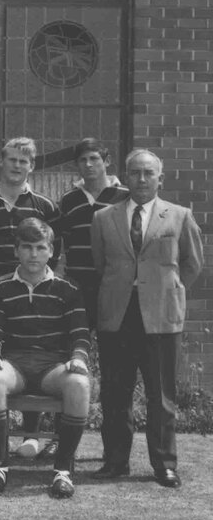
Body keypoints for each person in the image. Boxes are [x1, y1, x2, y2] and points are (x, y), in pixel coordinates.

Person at [91, 149, 204, 488]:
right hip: (118, 316)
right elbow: (102, 264)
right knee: (114, 393)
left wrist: (166, 289)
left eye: (148, 173)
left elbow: (192, 264)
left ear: (160, 178)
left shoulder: (180, 216)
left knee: (161, 394)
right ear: (124, 176)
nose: (141, 179)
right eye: (135, 172)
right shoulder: (104, 218)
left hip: (161, 318)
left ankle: (164, 464)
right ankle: (114, 461)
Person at [0, 218, 91, 498]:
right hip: (15, 363)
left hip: (52, 366)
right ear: (16, 250)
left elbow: (79, 334)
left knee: (79, 383)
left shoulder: (69, 288)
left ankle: (62, 471)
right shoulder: (0, 286)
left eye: (40, 248)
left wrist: (78, 357)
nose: (33, 254)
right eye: (26, 247)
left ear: (51, 251)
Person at [0, 137, 61, 457]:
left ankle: (31, 434)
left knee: (30, 352)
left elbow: (54, 249)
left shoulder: (45, 207)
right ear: (1, 161)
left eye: (24, 161)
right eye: (11, 159)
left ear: (32, 166)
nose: (17, 166)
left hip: (32, 294)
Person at [56, 138, 128, 327]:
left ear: (107, 161)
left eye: (94, 158)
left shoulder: (125, 196)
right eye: (82, 160)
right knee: (77, 338)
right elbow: (63, 243)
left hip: (113, 283)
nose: (88, 164)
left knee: (111, 341)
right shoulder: (68, 199)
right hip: (77, 284)